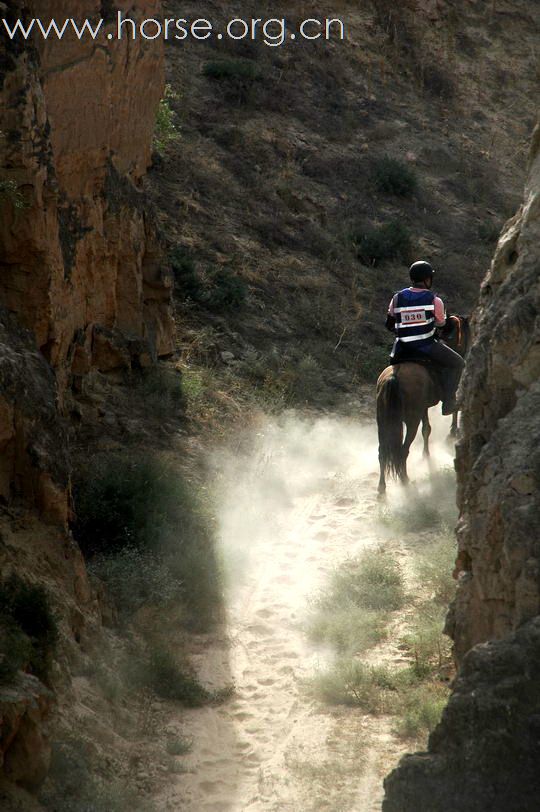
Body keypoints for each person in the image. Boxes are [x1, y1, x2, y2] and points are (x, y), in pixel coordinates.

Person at [385, 260, 465, 415]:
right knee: (458, 363)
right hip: (426, 347)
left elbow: (389, 324)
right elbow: (441, 324)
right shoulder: (435, 300)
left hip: (400, 350)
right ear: (428, 279)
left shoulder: (396, 298)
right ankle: (448, 402)